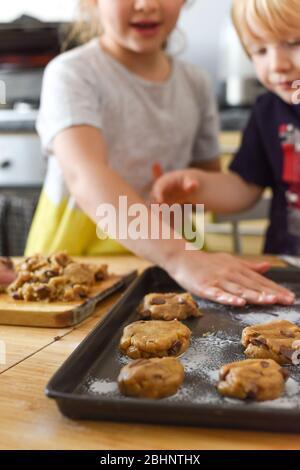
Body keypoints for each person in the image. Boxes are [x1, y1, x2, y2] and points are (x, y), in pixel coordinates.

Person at [25, 0, 294, 306]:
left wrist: (194, 188)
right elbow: (85, 176)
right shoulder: (71, 73)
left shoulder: (196, 82)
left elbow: (213, 185)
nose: (146, 4)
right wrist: (179, 255)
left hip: (179, 261)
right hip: (82, 258)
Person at [152, 0, 300, 257]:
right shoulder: (267, 110)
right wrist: (196, 187)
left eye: (294, 42)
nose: (277, 64)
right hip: (286, 266)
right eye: (260, 50)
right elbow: (244, 187)